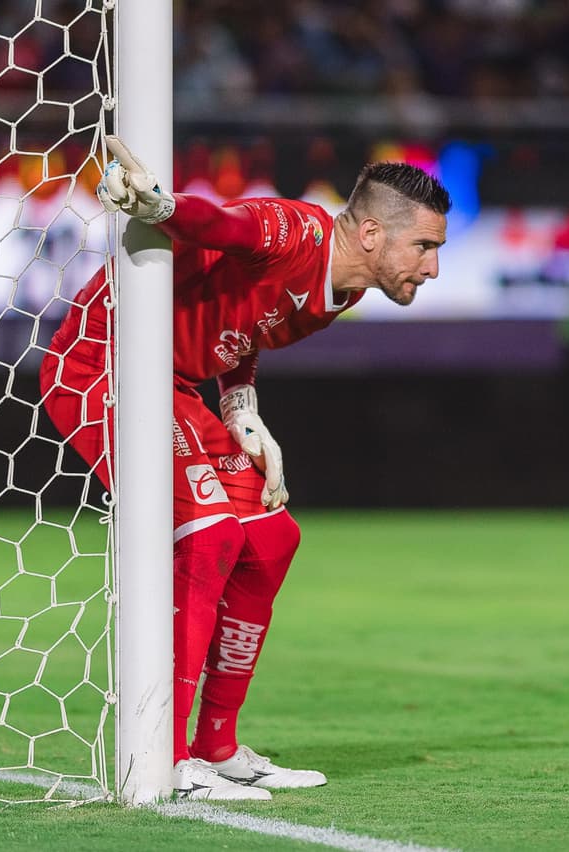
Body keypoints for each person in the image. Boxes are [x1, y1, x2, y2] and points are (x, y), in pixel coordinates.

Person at [39, 137, 450, 800]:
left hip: (172, 384)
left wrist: (238, 401)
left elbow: (243, 326)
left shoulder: (339, 293)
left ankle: (218, 748)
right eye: (424, 248)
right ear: (371, 233)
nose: (431, 269)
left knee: (270, 541)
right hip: (103, 367)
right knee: (209, 536)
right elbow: (222, 226)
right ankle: (165, 758)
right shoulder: (294, 231)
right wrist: (164, 206)